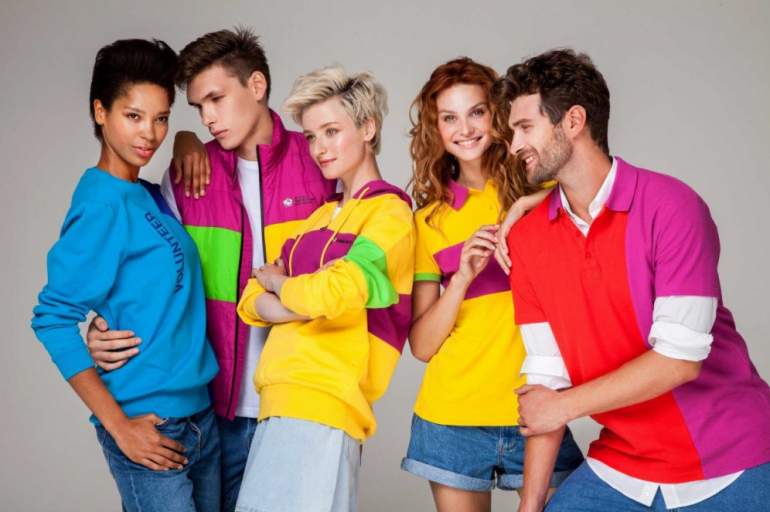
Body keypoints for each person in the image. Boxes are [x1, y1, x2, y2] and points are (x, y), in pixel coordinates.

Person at [495, 48, 770, 511]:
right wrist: (529, 505)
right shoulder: (526, 239)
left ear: (573, 121)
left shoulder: (672, 207)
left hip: (730, 456)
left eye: (525, 127)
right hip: (623, 464)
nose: (513, 144)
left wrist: (564, 406)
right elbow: (546, 383)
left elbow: (679, 361)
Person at [84, 27, 336, 511]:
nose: (208, 118)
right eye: (198, 107)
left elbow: (353, 280)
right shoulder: (186, 178)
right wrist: (102, 324)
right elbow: (149, 267)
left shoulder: (320, 165)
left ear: (257, 85)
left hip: (303, 406)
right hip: (216, 412)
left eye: (217, 99)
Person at [31, 39, 220, 511]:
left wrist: (187, 138)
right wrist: (119, 427)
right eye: (133, 116)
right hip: (149, 424)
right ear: (101, 112)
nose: (149, 134)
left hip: (202, 417)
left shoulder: (145, 193)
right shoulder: (101, 205)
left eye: (161, 118)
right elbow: (52, 319)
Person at [400, 57, 583, 512]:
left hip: (538, 408)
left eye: (477, 112)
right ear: (435, 129)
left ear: (498, 114)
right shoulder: (428, 221)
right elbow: (422, 345)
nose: (465, 129)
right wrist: (462, 278)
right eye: (449, 118)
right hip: (452, 417)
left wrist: (524, 205)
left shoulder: (547, 190)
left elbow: (598, 186)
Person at [235, 65, 415, 511]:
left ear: (368, 128)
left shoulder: (389, 215)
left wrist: (280, 284)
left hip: (326, 403)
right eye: (312, 136)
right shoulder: (318, 219)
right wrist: (299, 297)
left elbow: (335, 292)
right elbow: (250, 299)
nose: (319, 148)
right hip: (279, 401)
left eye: (332, 131)